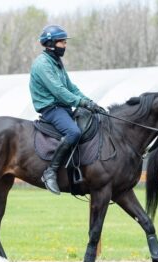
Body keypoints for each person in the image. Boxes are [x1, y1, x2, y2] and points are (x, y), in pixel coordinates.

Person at [29, 25, 103, 195]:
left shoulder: (56, 62)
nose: (65, 45)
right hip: (51, 108)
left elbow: (71, 87)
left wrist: (89, 102)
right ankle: (50, 172)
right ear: (51, 43)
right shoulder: (42, 64)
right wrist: (82, 103)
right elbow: (59, 91)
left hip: (63, 106)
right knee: (73, 133)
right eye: (62, 42)